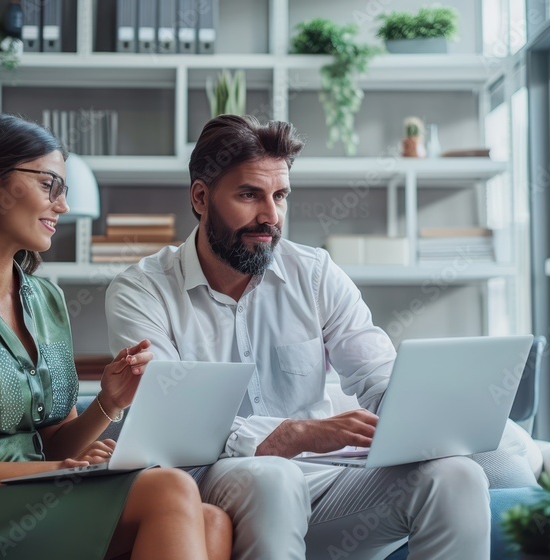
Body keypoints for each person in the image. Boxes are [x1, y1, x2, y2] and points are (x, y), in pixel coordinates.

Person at [105, 114, 509, 559]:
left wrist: (414, 414)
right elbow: (175, 425)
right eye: (249, 195)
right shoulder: (141, 290)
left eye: (280, 196)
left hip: (328, 478)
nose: (270, 216)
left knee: (456, 476)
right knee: (276, 478)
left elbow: (377, 374)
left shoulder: (315, 273)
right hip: (213, 481)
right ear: (201, 198)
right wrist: (295, 433)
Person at [0, 114, 231, 560]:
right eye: (49, 185)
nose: (62, 205)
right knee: (171, 489)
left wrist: (108, 404)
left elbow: (51, 440)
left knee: (213, 520)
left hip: (36, 500)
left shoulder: (46, 298)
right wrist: (53, 472)